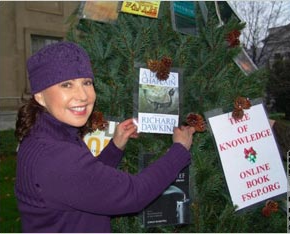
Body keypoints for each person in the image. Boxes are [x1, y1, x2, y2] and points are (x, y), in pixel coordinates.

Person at [15, 41, 196, 233]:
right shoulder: (56, 157)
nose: (83, 95)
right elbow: (133, 194)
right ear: (40, 96)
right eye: (66, 85)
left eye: (87, 82)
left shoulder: (45, 136)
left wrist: (115, 147)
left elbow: (86, 185)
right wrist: (179, 150)